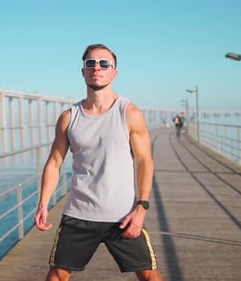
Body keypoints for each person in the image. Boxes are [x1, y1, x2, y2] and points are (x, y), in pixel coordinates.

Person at [34, 43, 163, 281]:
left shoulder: (129, 112)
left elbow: (145, 162)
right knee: (57, 276)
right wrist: (43, 203)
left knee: (149, 276)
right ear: (83, 71)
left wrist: (141, 208)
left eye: (104, 63)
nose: (97, 67)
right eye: (90, 63)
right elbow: (54, 162)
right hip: (79, 214)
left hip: (122, 215)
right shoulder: (68, 117)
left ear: (114, 72)